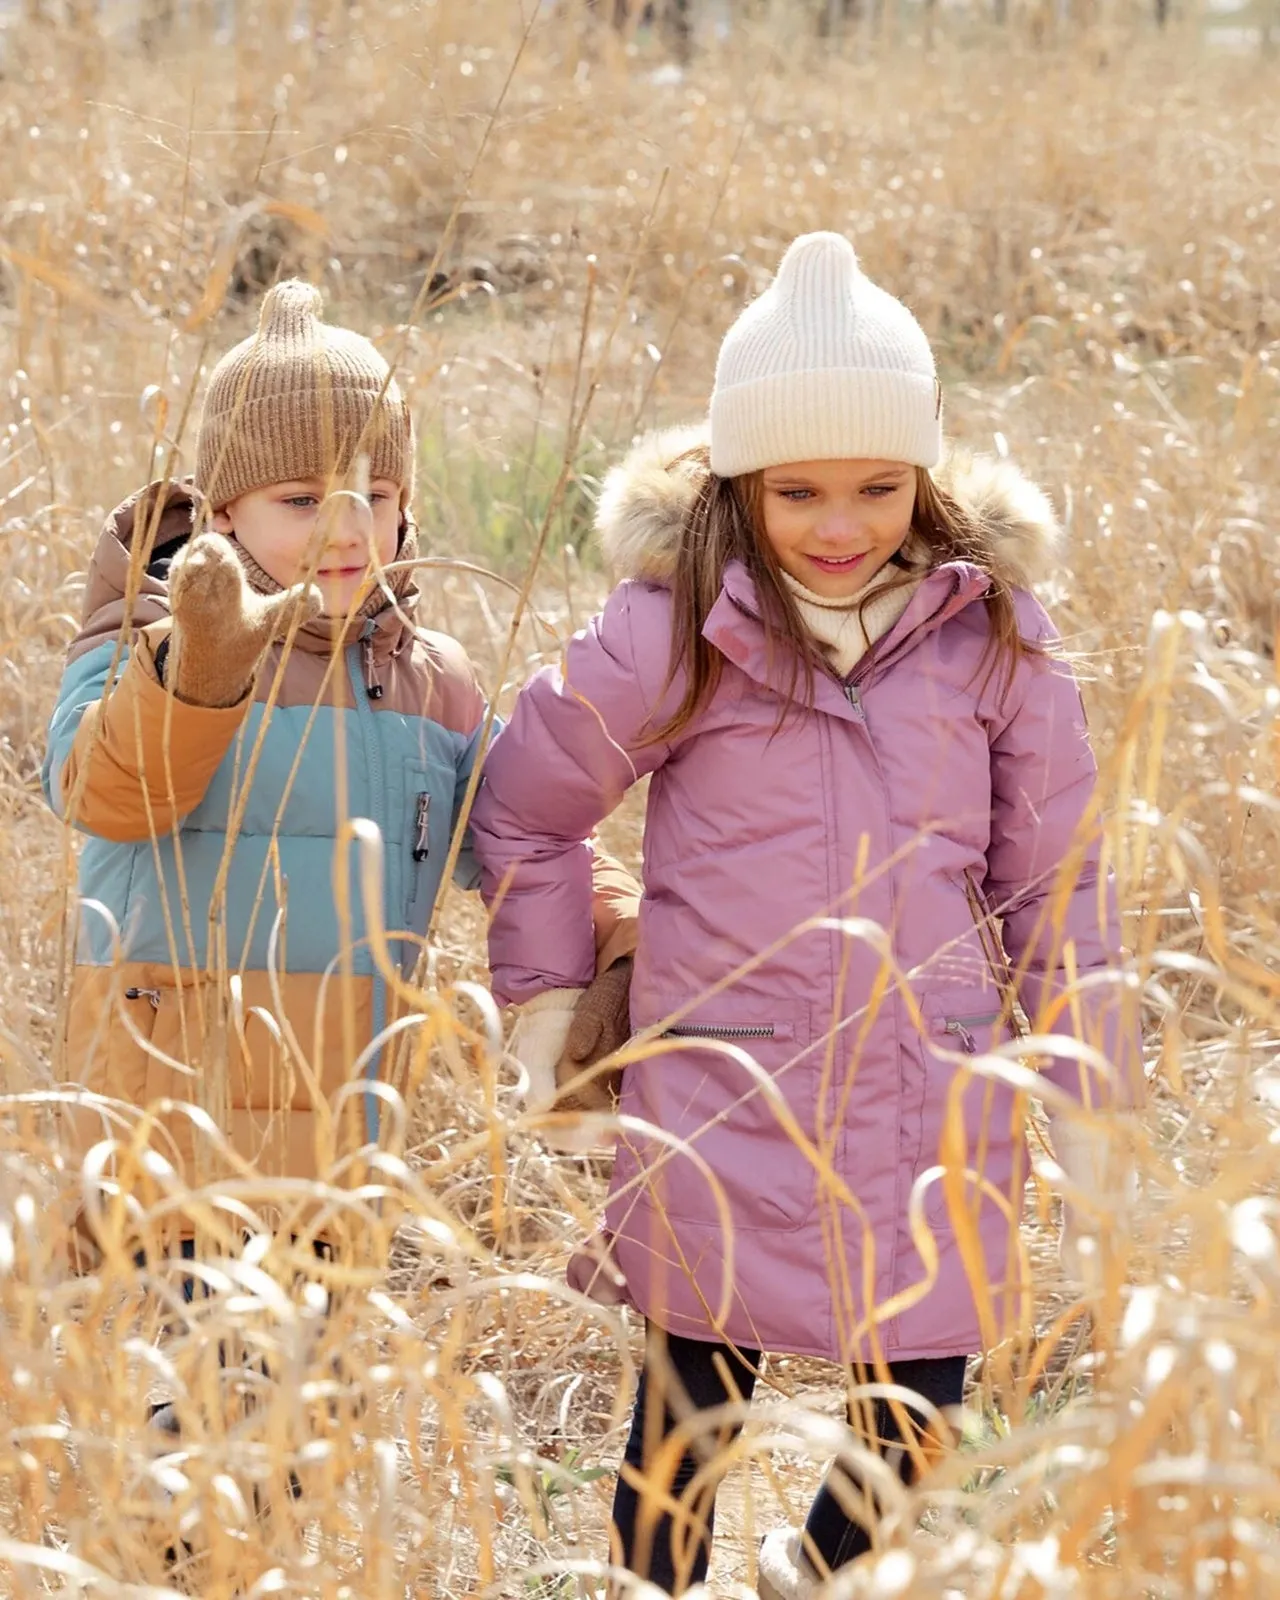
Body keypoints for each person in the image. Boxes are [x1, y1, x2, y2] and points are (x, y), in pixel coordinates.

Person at [470, 232, 1143, 1594]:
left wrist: (1089, 1080)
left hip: (929, 1090)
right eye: (800, 493)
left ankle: (816, 1572)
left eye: (878, 488)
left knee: (923, 1399)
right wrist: (549, 999)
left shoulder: (995, 635)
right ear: (741, 482)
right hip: (723, 1090)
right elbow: (529, 802)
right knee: (683, 1411)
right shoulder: (671, 628)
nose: (841, 527)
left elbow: (1055, 883)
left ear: (927, 478)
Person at [43, 279, 638, 1274]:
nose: (348, 527)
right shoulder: (148, 634)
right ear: (224, 510)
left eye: (377, 495)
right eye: (302, 499)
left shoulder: (422, 675)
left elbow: (519, 830)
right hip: (168, 1119)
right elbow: (105, 793)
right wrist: (202, 668)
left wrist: (624, 928)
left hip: (343, 1131)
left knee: (310, 1396)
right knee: (188, 1403)